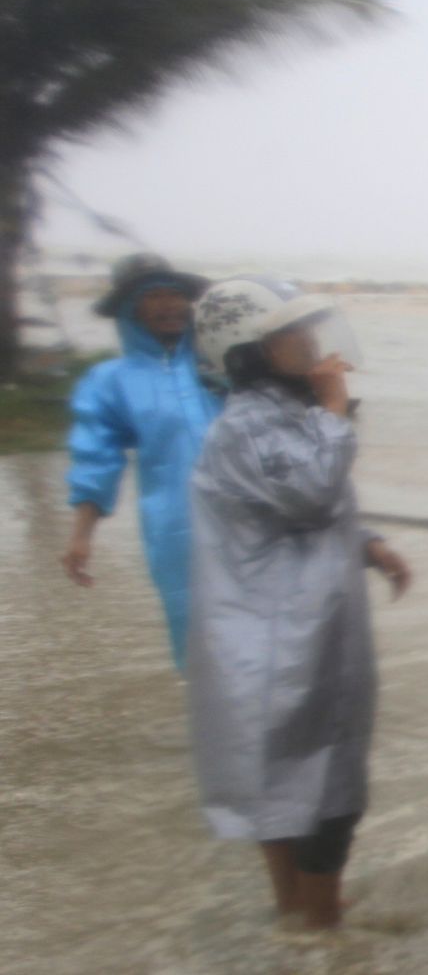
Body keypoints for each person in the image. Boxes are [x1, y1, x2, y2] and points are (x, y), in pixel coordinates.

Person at [185, 276, 411, 930]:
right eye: (291, 336)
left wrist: (367, 544)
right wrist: (335, 406)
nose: (311, 345)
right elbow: (311, 491)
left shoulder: (277, 417)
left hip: (287, 631)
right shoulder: (248, 425)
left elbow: (294, 509)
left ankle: (295, 914)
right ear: (247, 350)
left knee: (284, 784)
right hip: (287, 642)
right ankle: (320, 933)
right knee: (325, 791)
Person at [63, 253, 219, 670]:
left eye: (176, 294)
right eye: (153, 295)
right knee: (197, 639)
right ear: (130, 308)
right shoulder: (111, 380)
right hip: (174, 529)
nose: (169, 304)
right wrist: (81, 535)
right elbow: (96, 457)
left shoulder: (220, 361)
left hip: (246, 519)